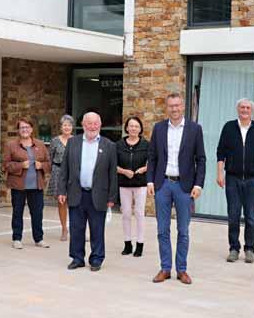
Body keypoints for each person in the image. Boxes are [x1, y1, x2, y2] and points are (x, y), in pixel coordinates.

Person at [147, 92, 206, 285]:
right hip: (162, 184)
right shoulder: (159, 128)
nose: (174, 109)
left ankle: (181, 269)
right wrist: (150, 181)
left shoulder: (194, 129)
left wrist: (198, 184)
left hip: (184, 186)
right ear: (167, 107)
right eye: (171, 105)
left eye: (177, 105)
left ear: (183, 106)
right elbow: (152, 157)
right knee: (162, 229)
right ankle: (165, 268)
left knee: (183, 230)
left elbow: (201, 159)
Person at [57, 112, 117, 271]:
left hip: (99, 195)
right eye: (89, 123)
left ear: (100, 125)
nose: (92, 126)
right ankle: (77, 258)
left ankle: (96, 259)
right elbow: (64, 169)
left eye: (95, 123)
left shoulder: (109, 145)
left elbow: (112, 173)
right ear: (83, 125)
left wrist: (112, 197)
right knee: (76, 228)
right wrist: (61, 190)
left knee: (97, 229)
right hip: (76, 192)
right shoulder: (73, 142)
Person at [216, 98, 254, 264]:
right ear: (237, 109)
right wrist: (220, 173)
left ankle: (249, 249)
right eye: (242, 107)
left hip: (253, 179)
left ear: (251, 110)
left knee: (251, 217)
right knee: (233, 215)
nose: (245, 110)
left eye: (247, 107)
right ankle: (234, 248)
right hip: (233, 178)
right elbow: (220, 152)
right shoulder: (229, 127)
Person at [5, 118, 52, 249]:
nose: (25, 130)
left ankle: (39, 239)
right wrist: (21, 165)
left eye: (27, 127)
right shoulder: (11, 145)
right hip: (18, 186)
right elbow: (6, 165)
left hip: (36, 185)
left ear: (31, 129)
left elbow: (49, 163)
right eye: (22, 127)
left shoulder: (40, 144)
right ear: (18, 130)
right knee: (17, 212)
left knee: (37, 213)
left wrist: (41, 165)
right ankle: (17, 239)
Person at [116, 116, 149, 257]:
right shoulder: (118, 145)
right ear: (127, 128)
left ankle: (140, 244)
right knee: (126, 214)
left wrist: (144, 169)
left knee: (139, 213)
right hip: (124, 183)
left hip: (140, 184)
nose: (133, 128)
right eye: (131, 126)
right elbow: (113, 165)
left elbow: (153, 162)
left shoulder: (146, 145)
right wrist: (124, 171)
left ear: (140, 129)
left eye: (136, 126)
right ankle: (127, 244)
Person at [47, 115, 74, 242]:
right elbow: (50, 157)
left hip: (73, 173)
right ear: (61, 127)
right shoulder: (55, 141)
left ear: (72, 127)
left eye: (69, 125)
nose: (67, 127)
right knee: (62, 202)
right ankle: (64, 229)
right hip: (58, 172)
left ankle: (76, 230)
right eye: (64, 125)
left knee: (75, 203)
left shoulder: (77, 140)